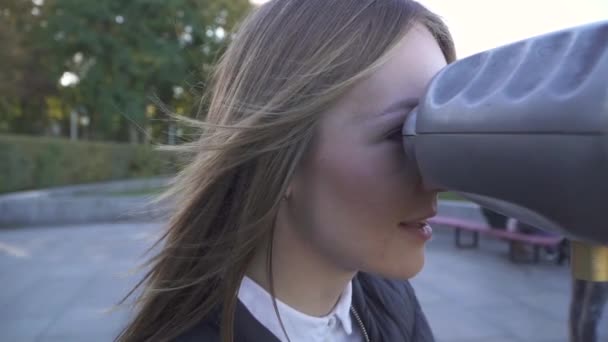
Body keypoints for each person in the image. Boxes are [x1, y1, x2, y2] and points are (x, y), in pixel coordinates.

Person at [116, 1, 456, 341]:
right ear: (279, 152)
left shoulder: (393, 302)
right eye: (402, 134)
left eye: (435, 133)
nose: (435, 178)